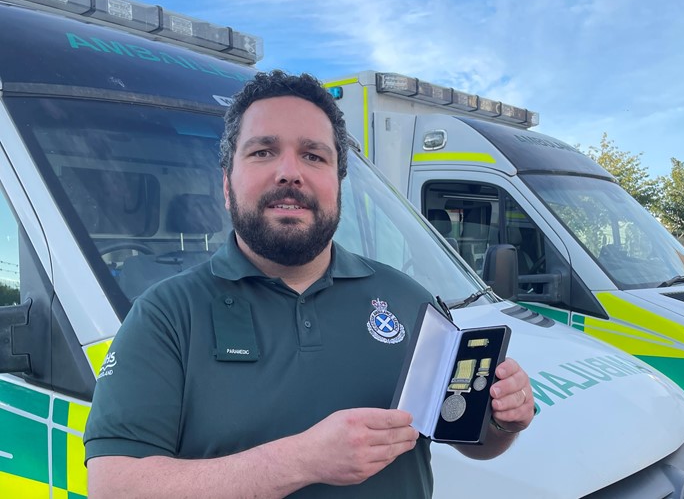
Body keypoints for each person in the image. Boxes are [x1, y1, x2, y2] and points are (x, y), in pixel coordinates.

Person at [84, 70, 535, 498]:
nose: (289, 172)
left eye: (314, 156)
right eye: (263, 151)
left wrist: (501, 422)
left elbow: (468, 437)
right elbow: (114, 486)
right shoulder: (165, 315)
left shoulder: (409, 302)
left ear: (338, 185)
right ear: (226, 185)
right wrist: (299, 461)